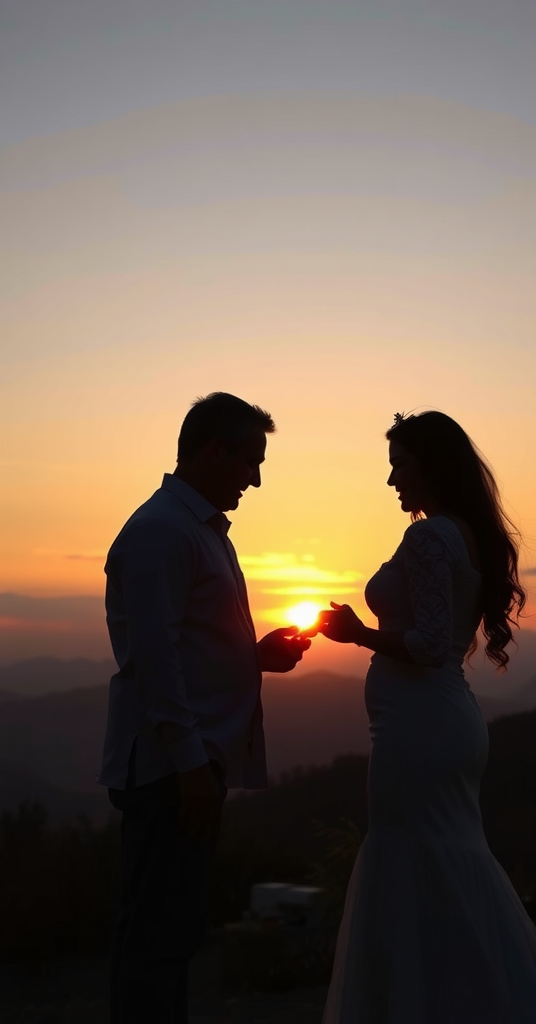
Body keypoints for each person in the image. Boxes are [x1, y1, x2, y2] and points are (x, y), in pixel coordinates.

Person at [316, 411, 536, 1024]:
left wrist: (359, 634)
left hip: (420, 730)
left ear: (433, 465)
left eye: (399, 466)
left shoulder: (432, 537)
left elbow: (432, 645)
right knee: (444, 863)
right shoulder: (462, 533)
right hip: (438, 724)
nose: (392, 482)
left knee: (413, 861)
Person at [98, 392, 310, 1024]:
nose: (257, 477)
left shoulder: (196, 528)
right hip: (172, 769)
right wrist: (190, 763)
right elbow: (154, 659)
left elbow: (186, 644)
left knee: (171, 930)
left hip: (192, 763)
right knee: (157, 938)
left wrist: (252, 656)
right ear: (214, 451)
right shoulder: (162, 531)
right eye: (251, 459)